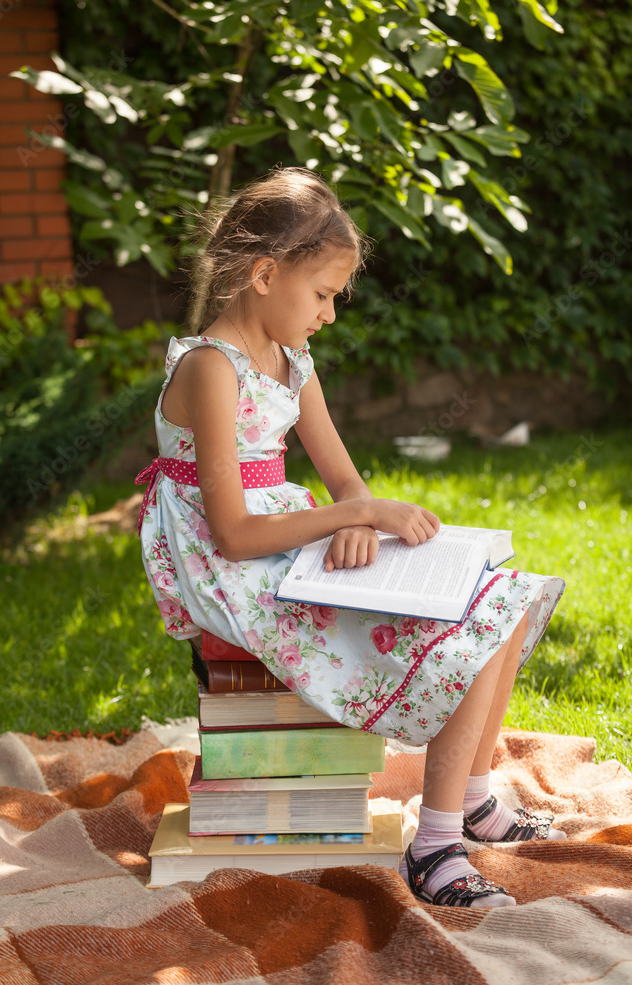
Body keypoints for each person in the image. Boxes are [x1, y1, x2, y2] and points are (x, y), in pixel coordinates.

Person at [137, 166, 566, 908]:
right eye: (324, 294)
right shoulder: (210, 368)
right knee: (473, 618)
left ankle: (467, 798)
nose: (330, 314)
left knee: (506, 597)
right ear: (266, 275)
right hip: (230, 569)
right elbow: (233, 533)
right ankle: (434, 852)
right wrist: (352, 518)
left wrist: (364, 517)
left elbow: (345, 485)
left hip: (287, 542)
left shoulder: (292, 363)